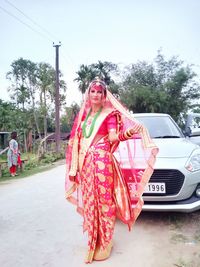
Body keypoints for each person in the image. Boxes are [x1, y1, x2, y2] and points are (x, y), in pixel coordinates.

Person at [65, 78, 158, 263]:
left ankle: (106, 242)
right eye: (93, 91)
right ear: (88, 94)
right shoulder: (85, 116)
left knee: (105, 202)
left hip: (102, 163)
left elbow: (114, 137)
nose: (96, 95)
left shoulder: (110, 114)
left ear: (104, 95)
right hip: (86, 165)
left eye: (100, 92)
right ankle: (95, 240)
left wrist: (130, 133)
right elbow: (77, 142)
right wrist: (74, 168)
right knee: (91, 202)